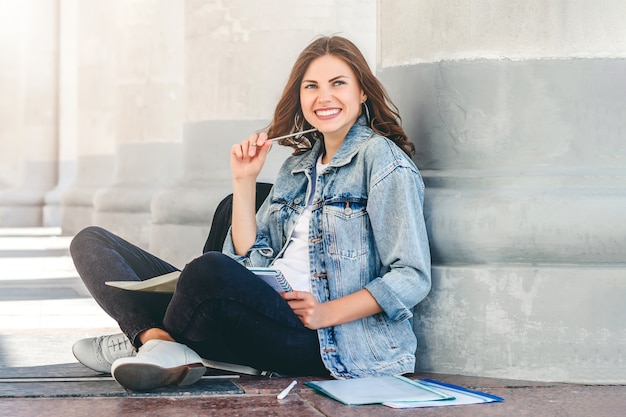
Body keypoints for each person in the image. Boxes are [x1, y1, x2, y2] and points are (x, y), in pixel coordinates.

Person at [70, 35, 431, 391]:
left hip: (324, 339)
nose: (324, 97)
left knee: (206, 269)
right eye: (311, 87)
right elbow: (250, 255)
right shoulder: (297, 166)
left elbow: (411, 276)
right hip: (262, 306)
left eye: (338, 83)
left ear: (362, 92)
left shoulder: (381, 160)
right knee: (91, 241)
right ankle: (156, 339)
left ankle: (151, 340)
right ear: (300, 97)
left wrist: (327, 312)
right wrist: (244, 179)